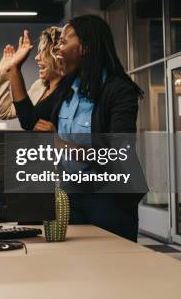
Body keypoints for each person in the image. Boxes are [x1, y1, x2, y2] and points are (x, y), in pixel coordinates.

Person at [52, 14, 145, 241]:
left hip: (108, 196)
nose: (58, 47)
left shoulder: (119, 90)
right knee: (73, 264)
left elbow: (116, 151)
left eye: (65, 41)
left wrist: (60, 145)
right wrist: (12, 69)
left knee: (112, 265)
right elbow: (30, 119)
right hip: (71, 193)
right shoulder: (67, 88)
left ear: (85, 47)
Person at [0, 26, 65, 130]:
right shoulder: (39, 86)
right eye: (38, 52)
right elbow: (4, 112)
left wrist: (57, 137)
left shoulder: (70, 91)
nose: (37, 58)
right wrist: (3, 72)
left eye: (43, 52)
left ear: (58, 55)